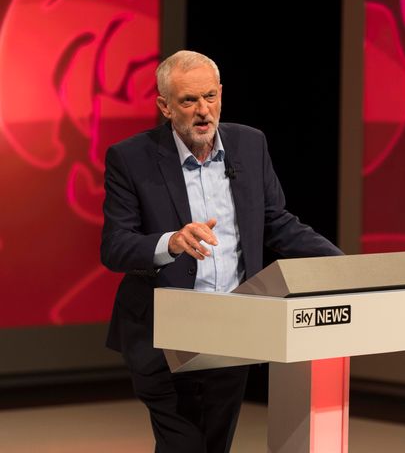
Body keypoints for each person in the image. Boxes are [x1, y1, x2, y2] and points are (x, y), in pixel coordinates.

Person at [100, 50, 342, 453]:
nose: (203, 111)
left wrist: (342, 264)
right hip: (162, 336)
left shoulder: (250, 144)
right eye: (188, 100)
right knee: (184, 446)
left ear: (222, 95)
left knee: (214, 445)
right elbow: (115, 246)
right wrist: (170, 243)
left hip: (233, 333)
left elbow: (275, 221)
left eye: (210, 97)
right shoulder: (130, 158)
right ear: (164, 106)